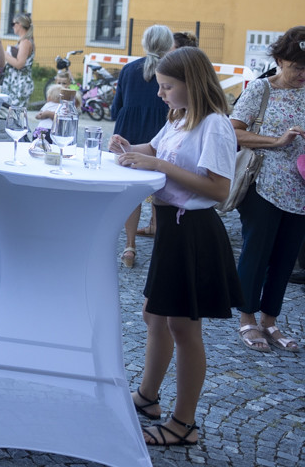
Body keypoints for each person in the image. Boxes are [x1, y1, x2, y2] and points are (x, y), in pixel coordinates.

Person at [108, 47, 241, 448]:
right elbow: (156, 150)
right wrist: (129, 148)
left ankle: (184, 423)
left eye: (167, 87)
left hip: (194, 231)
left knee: (183, 327)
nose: (161, 93)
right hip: (171, 228)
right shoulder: (179, 117)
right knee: (154, 315)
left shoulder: (215, 125)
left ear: (191, 84)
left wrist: (161, 167)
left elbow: (220, 189)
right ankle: (149, 398)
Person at [230, 26, 305, 353]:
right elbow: (233, 132)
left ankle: (270, 320)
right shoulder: (261, 90)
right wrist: (276, 142)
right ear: (279, 60)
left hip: (300, 188)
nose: (303, 74)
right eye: (297, 67)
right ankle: (247, 318)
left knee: (286, 258)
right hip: (263, 184)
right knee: (257, 253)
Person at [113, 25, 175, 268]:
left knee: (132, 191)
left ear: (145, 43)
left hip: (129, 131)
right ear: (169, 45)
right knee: (163, 186)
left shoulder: (128, 69)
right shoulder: (172, 71)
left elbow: (116, 107)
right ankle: (159, 237)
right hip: (160, 131)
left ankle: (129, 247)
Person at [0, 12, 35, 109]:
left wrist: (5, 55)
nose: (12, 27)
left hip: (19, 84)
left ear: (19, 25)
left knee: (15, 113)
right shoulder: (24, 41)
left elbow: (19, 64)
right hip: (16, 83)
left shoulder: (25, 42)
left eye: (13, 24)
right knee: (13, 113)